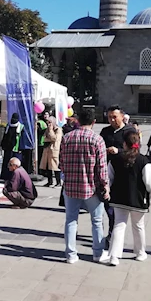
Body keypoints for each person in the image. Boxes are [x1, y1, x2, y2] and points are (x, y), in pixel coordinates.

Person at [59, 108, 108, 264]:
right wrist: (105, 185)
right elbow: (101, 167)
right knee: (97, 221)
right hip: (91, 187)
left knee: (71, 220)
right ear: (94, 122)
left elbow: (61, 163)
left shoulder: (66, 138)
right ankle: (98, 253)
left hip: (71, 185)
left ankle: (71, 254)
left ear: (78, 120)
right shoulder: (97, 139)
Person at [102, 129, 151, 266]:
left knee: (118, 225)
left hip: (118, 198)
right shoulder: (144, 161)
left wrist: (107, 191)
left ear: (124, 144)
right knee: (138, 226)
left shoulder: (115, 160)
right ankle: (140, 253)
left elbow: (109, 178)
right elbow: (149, 183)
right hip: (138, 199)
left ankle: (114, 256)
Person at [39, 111, 62, 187]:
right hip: (47, 149)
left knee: (55, 167)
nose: (49, 124)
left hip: (54, 150)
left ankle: (58, 182)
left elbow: (54, 138)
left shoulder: (58, 129)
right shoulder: (47, 129)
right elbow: (44, 138)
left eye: (50, 122)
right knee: (48, 167)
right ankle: (50, 182)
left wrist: (51, 130)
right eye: (48, 122)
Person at [0, 113, 23, 180]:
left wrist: (20, 148)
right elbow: (5, 136)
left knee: (15, 164)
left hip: (16, 148)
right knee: (8, 163)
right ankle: (6, 177)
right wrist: (3, 145)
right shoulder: (8, 125)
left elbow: (22, 139)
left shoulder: (21, 127)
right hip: (8, 148)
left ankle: (15, 177)